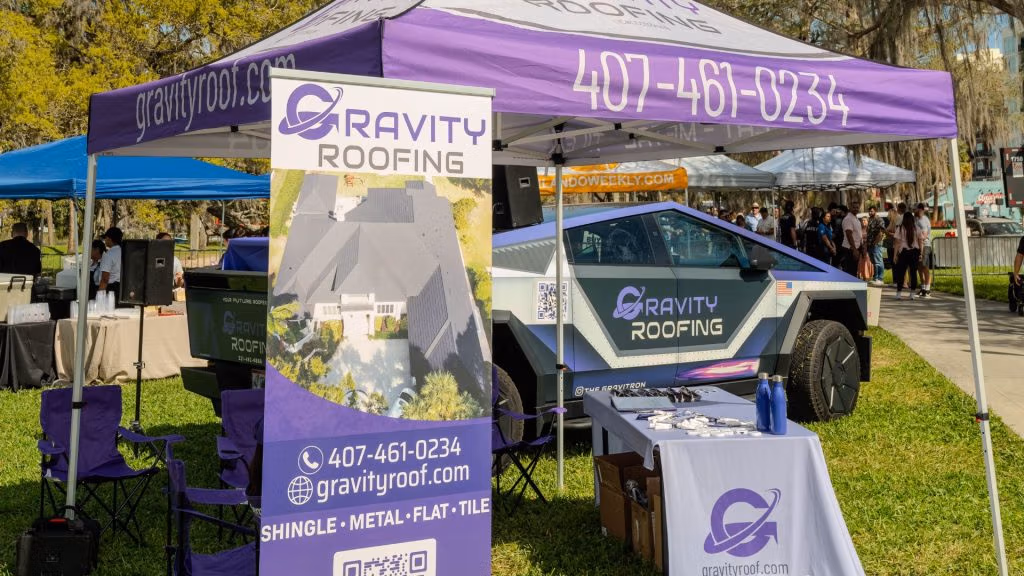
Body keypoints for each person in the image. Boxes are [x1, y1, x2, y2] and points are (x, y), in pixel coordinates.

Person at [893, 212, 924, 299]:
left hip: (903, 252)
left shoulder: (900, 229)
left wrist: (895, 255)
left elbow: (897, 243)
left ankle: (898, 293)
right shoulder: (917, 228)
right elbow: (920, 242)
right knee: (913, 273)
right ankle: (912, 294)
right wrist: (921, 253)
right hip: (915, 252)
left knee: (901, 273)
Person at [840, 200, 864, 277]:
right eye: (854, 207)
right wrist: (854, 250)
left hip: (856, 248)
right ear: (850, 208)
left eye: (857, 207)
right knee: (850, 272)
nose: (856, 209)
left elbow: (858, 234)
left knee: (854, 271)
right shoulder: (848, 219)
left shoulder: (855, 218)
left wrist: (861, 246)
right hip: (850, 249)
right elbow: (849, 234)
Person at [97, 227, 123, 298]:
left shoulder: (108, 255)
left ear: (109, 239)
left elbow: (105, 279)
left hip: (111, 290)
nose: (105, 240)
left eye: (105, 238)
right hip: (122, 289)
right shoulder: (123, 252)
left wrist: (99, 297)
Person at [914, 203, 933, 298]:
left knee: (925, 266)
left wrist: (919, 239)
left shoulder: (923, 220)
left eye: (915, 209)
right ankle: (923, 288)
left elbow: (924, 234)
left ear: (920, 209)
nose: (914, 210)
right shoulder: (916, 219)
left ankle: (928, 289)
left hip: (925, 245)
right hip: (917, 245)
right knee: (919, 267)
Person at [866, 206, 886, 286]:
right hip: (870, 244)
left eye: (872, 211)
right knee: (873, 261)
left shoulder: (879, 220)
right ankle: (875, 278)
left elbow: (881, 232)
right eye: (869, 211)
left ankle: (880, 278)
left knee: (878, 261)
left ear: (875, 211)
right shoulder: (870, 219)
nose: (870, 213)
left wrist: (876, 242)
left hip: (877, 244)